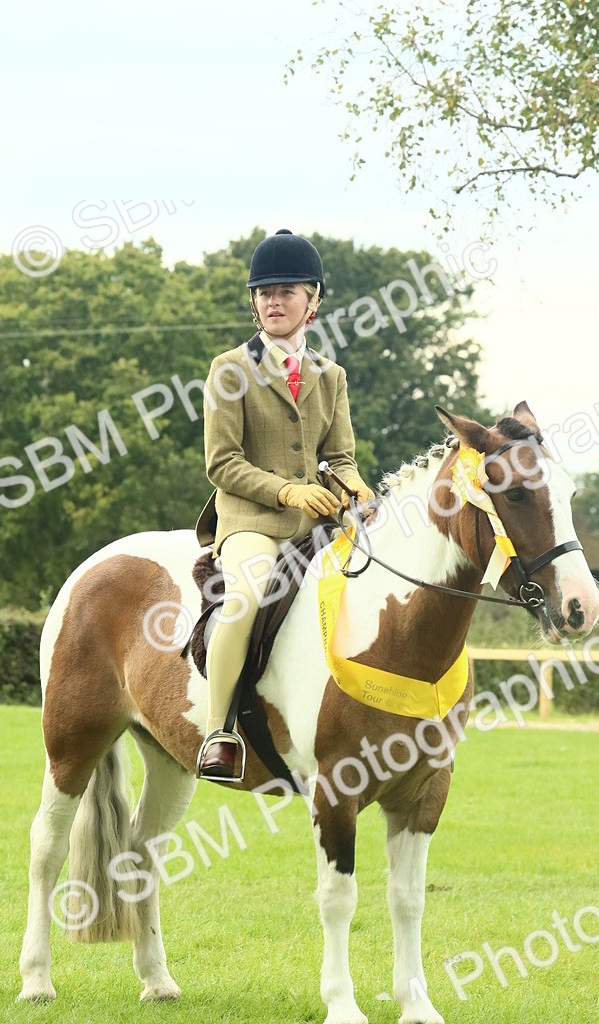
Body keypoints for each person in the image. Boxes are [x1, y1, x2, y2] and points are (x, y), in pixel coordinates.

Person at [194, 228, 374, 780]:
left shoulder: (330, 376)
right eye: (264, 292)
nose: (274, 301)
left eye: (287, 291)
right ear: (254, 302)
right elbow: (221, 463)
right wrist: (287, 490)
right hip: (251, 522)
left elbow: (339, 457)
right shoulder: (230, 369)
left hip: (314, 525)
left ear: (312, 301)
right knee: (245, 598)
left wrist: (357, 488)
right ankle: (219, 731)